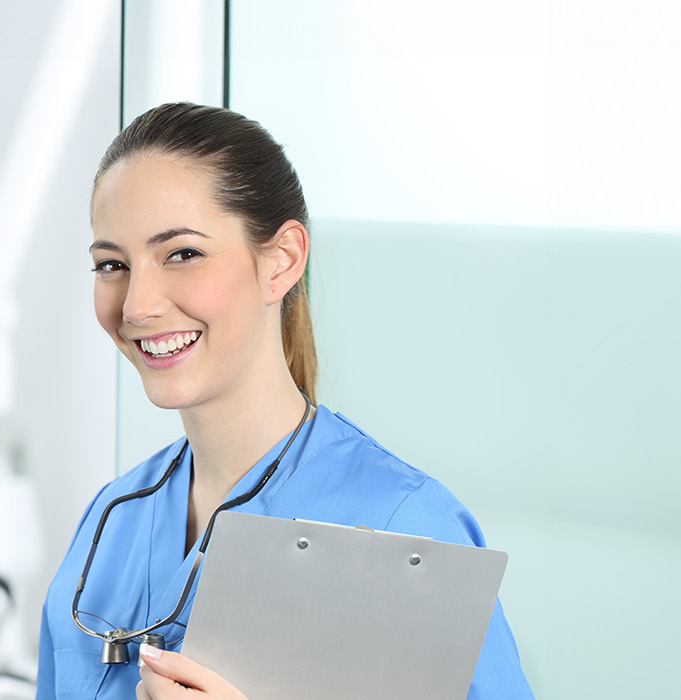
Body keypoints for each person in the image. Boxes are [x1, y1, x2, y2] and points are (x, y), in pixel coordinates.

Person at [35, 102, 533, 700]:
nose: (137, 304)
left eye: (182, 253)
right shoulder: (111, 520)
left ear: (281, 262)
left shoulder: (405, 528)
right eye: (112, 264)